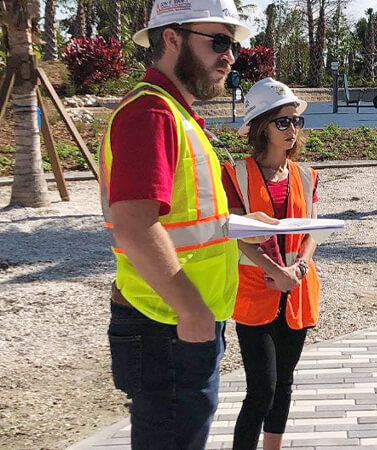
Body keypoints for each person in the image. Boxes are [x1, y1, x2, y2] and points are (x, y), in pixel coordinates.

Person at [100, 1, 276, 448]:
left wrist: (234, 223)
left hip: (175, 319)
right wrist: (191, 310)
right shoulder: (152, 113)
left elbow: (182, 218)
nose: (230, 56)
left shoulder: (175, 113)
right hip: (167, 322)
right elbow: (135, 225)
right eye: (218, 41)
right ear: (172, 38)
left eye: (233, 44)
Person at [221, 78, 322, 450]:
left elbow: (312, 231)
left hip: (297, 291)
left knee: (285, 382)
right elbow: (236, 232)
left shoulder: (306, 175)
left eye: (296, 121)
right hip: (256, 292)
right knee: (261, 388)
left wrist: (299, 270)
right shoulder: (235, 175)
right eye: (284, 122)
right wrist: (275, 271)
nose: (292, 130)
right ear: (261, 126)